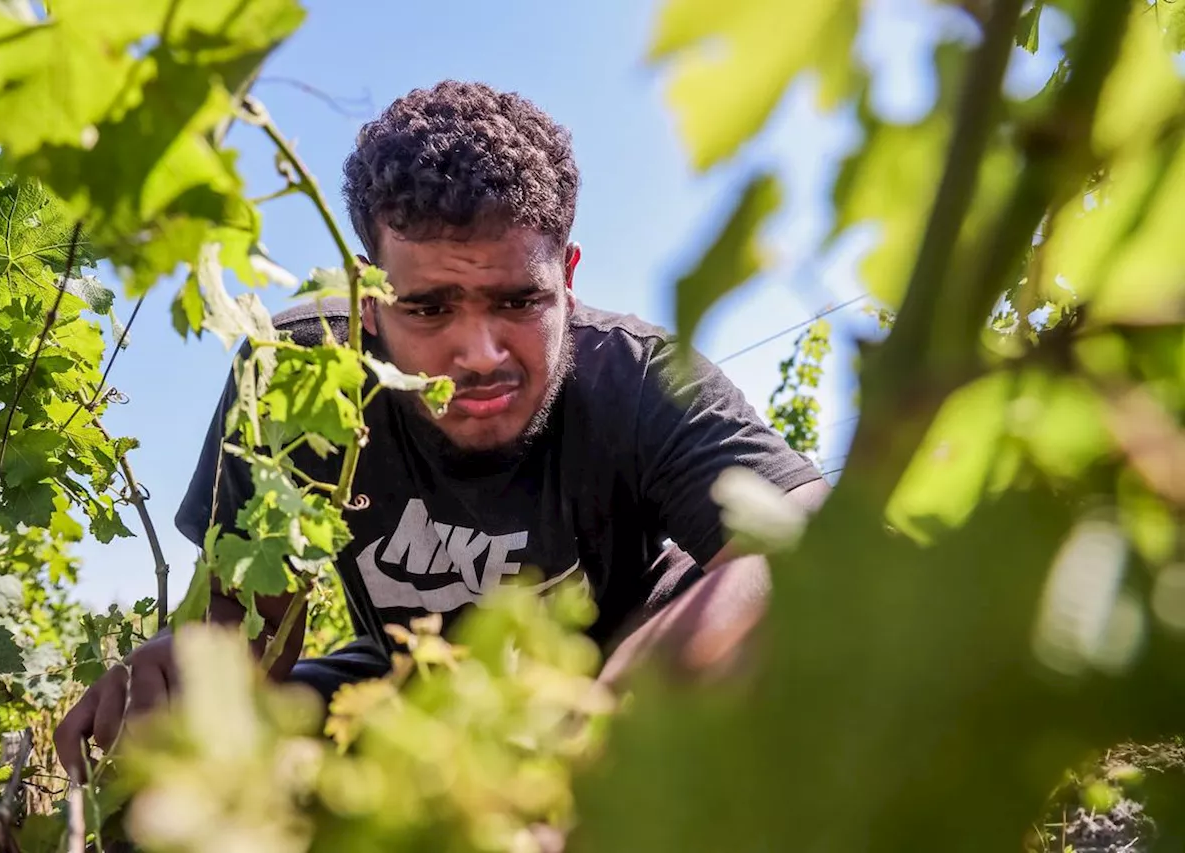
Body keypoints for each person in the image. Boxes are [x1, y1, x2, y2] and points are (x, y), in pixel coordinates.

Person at [54, 79, 830, 779]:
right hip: (406, 689)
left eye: (519, 301)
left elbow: (804, 523)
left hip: (630, 656)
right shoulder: (297, 383)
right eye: (428, 308)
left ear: (567, 278)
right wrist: (188, 675)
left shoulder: (639, 374)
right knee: (237, 760)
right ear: (368, 300)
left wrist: (618, 717)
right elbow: (249, 629)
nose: (480, 353)